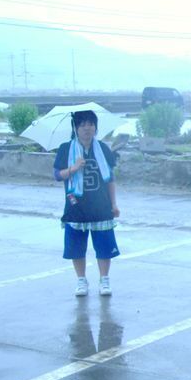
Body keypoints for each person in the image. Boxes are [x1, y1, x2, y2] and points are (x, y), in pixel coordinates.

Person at [53, 110, 121, 297]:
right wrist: (73, 168)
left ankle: (104, 279)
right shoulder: (66, 149)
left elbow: (111, 179)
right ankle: (81, 280)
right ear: (76, 128)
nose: (87, 128)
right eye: (82, 124)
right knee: (76, 246)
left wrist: (114, 204)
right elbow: (57, 176)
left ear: (96, 127)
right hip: (76, 207)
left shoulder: (103, 149)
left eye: (91, 124)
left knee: (104, 246)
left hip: (101, 206)